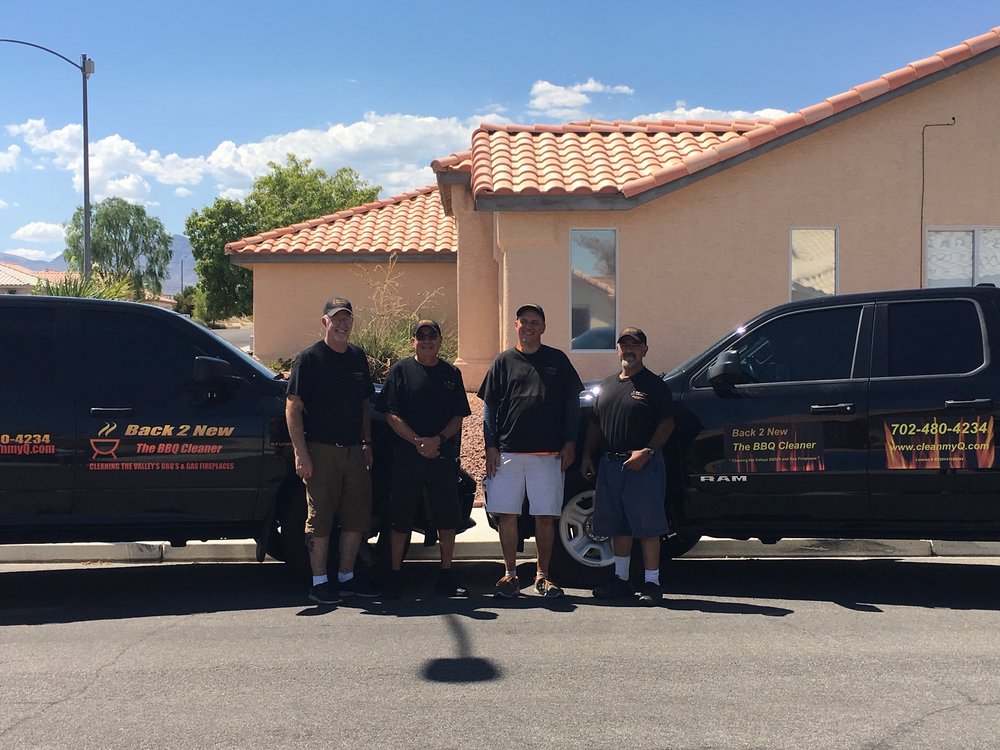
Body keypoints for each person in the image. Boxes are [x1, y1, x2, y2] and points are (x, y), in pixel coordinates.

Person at [477, 303, 583, 598]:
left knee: (545, 517)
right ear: (516, 326)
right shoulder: (502, 361)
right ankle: (510, 574)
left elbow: (571, 405)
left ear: (544, 327)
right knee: (507, 515)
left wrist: (570, 441)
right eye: (524, 321)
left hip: (548, 454)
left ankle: (543, 575)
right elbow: (490, 408)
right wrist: (491, 446)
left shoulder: (557, 360)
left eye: (535, 322)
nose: (529, 326)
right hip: (508, 453)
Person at [286, 296, 381, 605]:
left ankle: (346, 576)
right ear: (324, 322)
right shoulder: (310, 359)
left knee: (356, 518)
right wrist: (301, 453)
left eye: (347, 318)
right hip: (321, 451)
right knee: (320, 518)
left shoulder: (357, 357)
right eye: (336, 318)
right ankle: (319, 581)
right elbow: (293, 406)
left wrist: (367, 443)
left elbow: (364, 404)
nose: (342, 324)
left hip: (354, 451)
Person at [580, 327, 676, 606]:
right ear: (618, 349)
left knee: (647, 528)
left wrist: (647, 452)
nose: (628, 350)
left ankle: (652, 583)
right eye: (624, 345)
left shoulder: (655, 386)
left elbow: (667, 423)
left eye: (635, 345)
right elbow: (596, 424)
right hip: (610, 465)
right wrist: (587, 455)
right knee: (618, 526)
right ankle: (621, 580)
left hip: (642, 465)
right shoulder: (607, 385)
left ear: (645, 350)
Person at [376, 320, 472, 598]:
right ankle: (395, 575)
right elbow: (391, 414)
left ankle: (446, 574)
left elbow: (458, 415)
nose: (427, 340)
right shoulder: (400, 371)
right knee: (400, 517)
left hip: (441, 457)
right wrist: (417, 441)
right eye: (422, 336)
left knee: (447, 517)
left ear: (440, 341)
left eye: (432, 336)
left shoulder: (451, 374)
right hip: (408, 455)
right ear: (413, 341)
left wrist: (437, 440)